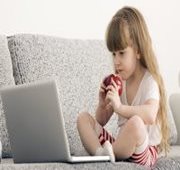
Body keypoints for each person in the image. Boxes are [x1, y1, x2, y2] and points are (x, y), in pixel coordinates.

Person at [77, 6, 169, 168]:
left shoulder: (150, 80)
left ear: (138, 51)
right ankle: (101, 155)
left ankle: (108, 154)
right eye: (113, 54)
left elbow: (149, 115)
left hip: (144, 151)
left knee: (135, 123)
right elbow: (100, 121)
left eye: (121, 53)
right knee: (83, 118)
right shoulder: (119, 81)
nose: (116, 61)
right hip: (118, 149)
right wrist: (102, 104)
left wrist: (119, 107)